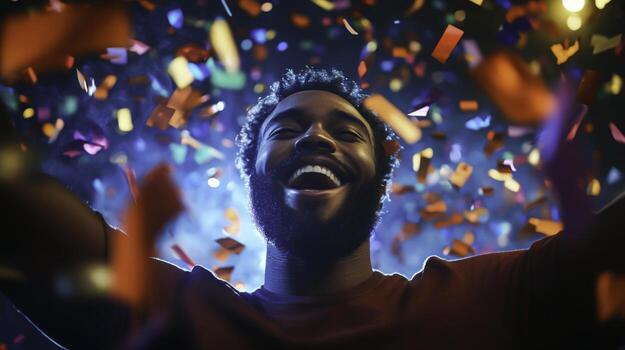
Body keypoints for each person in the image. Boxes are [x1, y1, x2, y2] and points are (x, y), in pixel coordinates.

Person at [1, 67, 624, 350]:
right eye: (288, 128)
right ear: (253, 173)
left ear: (378, 179)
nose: (316, 138)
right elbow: (18, 213)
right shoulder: (176, 318)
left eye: (348, 133)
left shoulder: (487, 301)